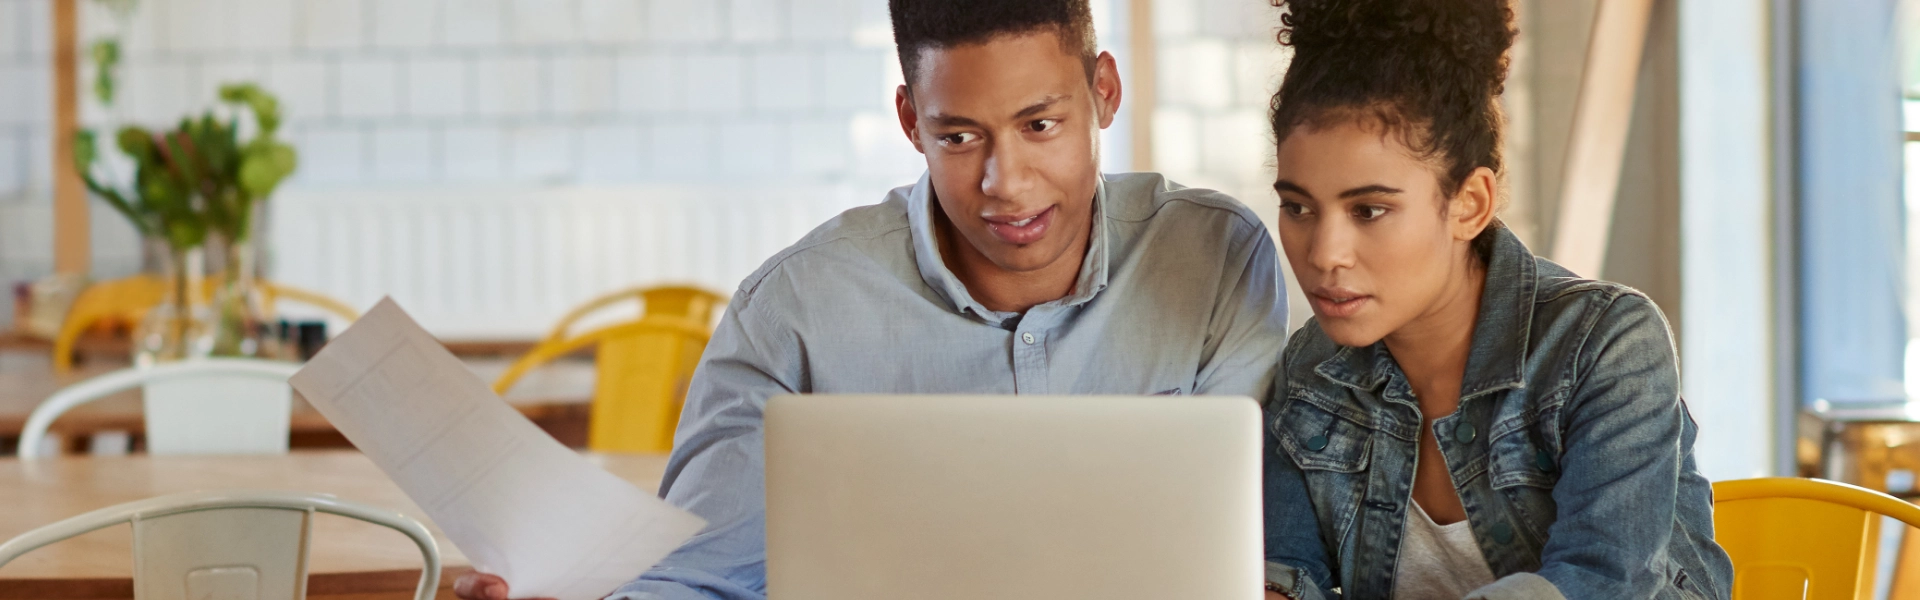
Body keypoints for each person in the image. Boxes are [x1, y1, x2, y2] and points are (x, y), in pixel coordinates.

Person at [455, 1, 1290, 599]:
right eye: (959, 137)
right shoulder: (797, 307)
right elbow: (699, 577)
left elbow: (1248, 556)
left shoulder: (1215, 258)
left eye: (1041, 125)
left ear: (1103, 90)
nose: (1006, 184)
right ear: (908, 119)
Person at [1256, 1, 1732, 599]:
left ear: (1470, 203)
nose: (1325, 254)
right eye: (1298, 207)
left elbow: (1598, 583)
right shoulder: (1312, 371)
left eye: (1369, 210)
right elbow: (1288, 575)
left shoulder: (1605, 344)